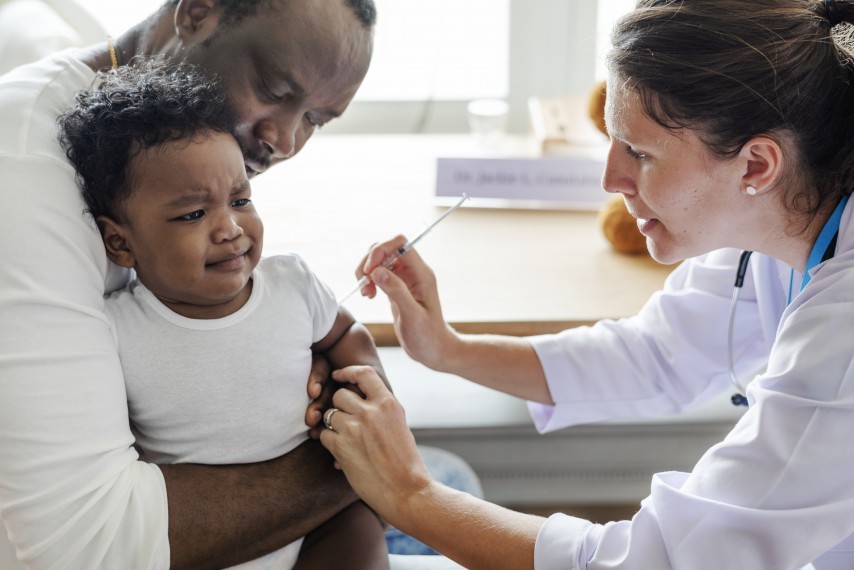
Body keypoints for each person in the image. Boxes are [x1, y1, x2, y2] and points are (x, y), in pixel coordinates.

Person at [317, 1, 854, 568]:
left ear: (755, 166)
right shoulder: (789, 216)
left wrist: (410, 494)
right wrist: (448, 349)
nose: (610, 179)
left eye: (640, 153)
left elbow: (664, 560)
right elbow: (654, 354)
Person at [0, 0, 375, 567]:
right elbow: (84, 544)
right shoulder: (25, 172)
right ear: (198, 13)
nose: (287, 142)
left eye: (317, 120)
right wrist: (367, 465)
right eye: (274, 89)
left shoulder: (178, 140)